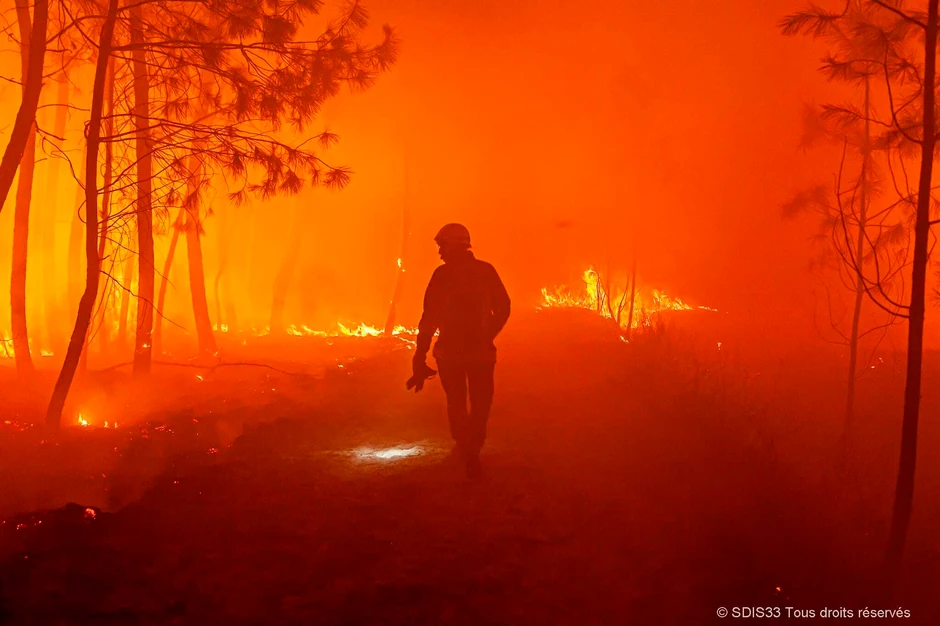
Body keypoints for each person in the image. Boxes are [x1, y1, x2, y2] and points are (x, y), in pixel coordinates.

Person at [406, 223, 511, 479]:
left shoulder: (442, 276)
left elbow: (428, 318)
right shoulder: (486, 271)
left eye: (442, 246)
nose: (440, 252)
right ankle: (471, 448)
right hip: (480, 354)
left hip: (450, 354)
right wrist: (487, 335)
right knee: (481, 403)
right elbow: (504, 307)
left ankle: (466, 448)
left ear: (453, 246)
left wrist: (420, 356)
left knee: (456, 402)